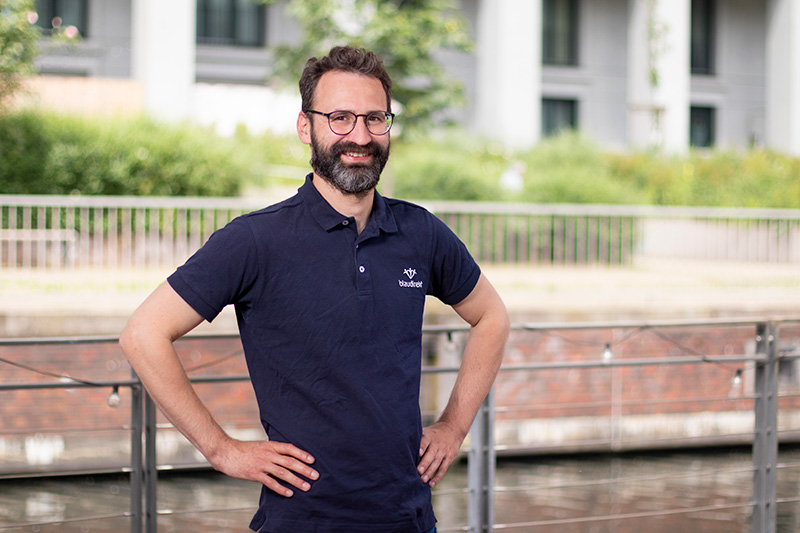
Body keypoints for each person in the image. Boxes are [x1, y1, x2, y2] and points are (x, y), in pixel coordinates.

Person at [119, 46, 510, 533]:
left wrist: (453, 427)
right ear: (306, 126)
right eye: (340, 118)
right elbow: (143, 334)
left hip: (407, 516)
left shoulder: (421, 233)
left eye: (375, 118)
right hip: (301, 520)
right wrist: (221, 450)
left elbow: (492, 317)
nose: (360, 136)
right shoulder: (255, 240)